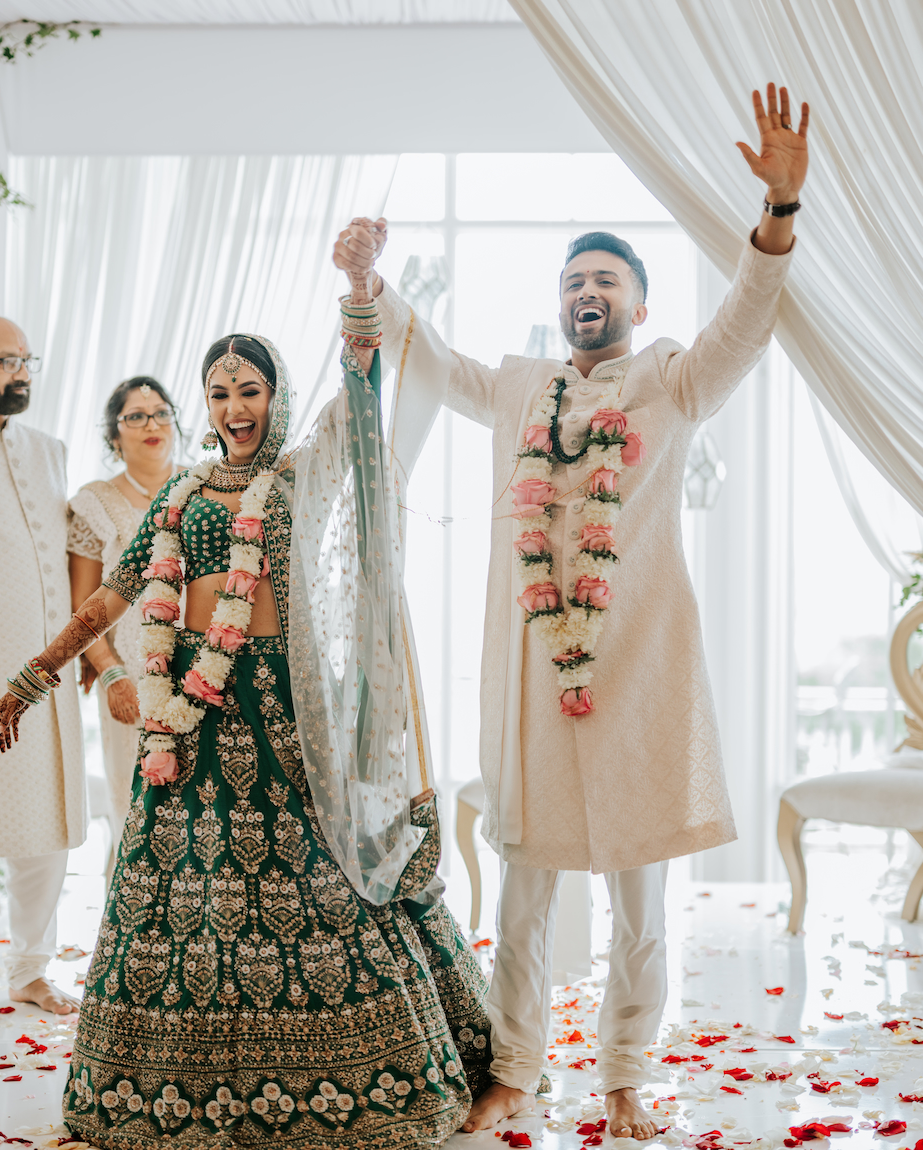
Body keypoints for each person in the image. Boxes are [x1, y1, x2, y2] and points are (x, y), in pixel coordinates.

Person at [334, 84, 809, 1140]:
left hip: (638, 672)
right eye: (571, 280)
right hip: (532, 680)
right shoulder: (517, 388)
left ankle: (626, 1072)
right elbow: (434, 357)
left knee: (641, 898)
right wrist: (367, 282)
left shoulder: (671, 383)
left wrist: (776, 214)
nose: (584, 290)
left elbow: (745, 318)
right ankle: (513, 1068)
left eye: (603, 278)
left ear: (635, 302)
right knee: (523, 890)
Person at [0, 275, 493, 1145]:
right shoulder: (177, 496)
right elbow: (111, 598)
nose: (234, 407)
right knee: (179, 886)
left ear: (276, 396)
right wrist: (34, 678)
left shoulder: (303, 476)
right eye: (219, 393)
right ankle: (164, 1092)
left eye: (250, 390)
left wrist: (359, 303)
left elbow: (359, 393)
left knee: (316, 886)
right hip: (185, 713)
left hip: (280, 707)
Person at [0, 314, 84, 1027]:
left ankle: (32, 970)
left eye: (26, 359)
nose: (20, 372)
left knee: (48, 825)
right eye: (5, 361)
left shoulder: (49, 449)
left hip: (48, 674)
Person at [68, 376, 184, 834]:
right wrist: (112, 674)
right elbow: (83, 604)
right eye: (134, 416)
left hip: (208, 673)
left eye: (160, 412)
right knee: (138, 814)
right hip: (132, 683)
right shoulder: (95, 502)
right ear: (114, 435)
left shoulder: (208, 486)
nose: (150, 423)